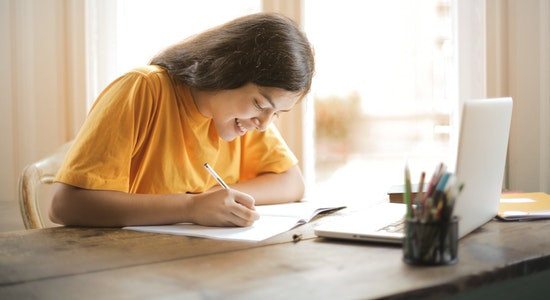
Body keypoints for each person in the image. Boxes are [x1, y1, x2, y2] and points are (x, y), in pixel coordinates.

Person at [49, 12, 315, 228]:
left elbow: (292, 182)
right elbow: (65, 205)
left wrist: (219, 198)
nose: (265, 124)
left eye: (277, 114)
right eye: (260, 104)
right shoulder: (143, 89)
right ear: (226, 71)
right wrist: (192, 207)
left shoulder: (245, 119)